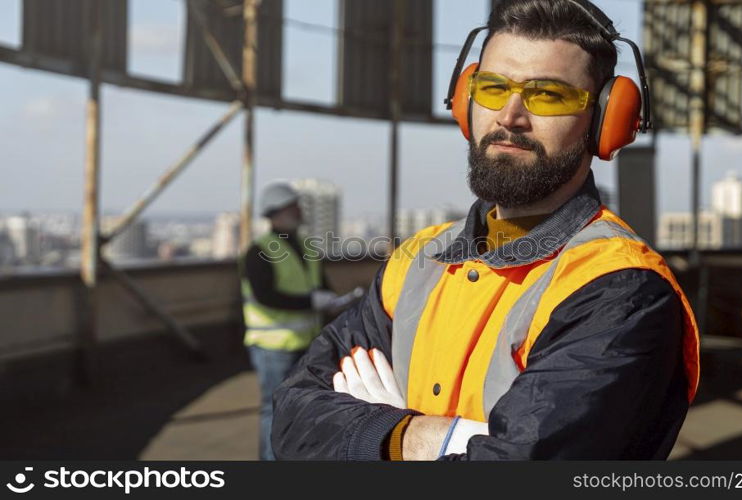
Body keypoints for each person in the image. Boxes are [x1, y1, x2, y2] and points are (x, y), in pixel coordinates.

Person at [270, 0, 700, 460]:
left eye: (548, 95)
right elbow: (294, 417)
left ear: (604, 123)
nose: (509, 116)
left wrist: (380, 433)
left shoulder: (620, 290)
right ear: (464, 101)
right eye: (492, 88)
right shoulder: (417, 260)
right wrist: (426, 439)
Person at [240, 181, 360, 460]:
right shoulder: (258, 251)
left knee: (305, 406)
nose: (299, 210)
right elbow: (265, 297)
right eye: (293, 206)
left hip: (307, 342)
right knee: (273, 409)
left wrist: (331, 300)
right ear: (276, 212)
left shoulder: (305, 246)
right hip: (273, 348)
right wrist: (312, 302)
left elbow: (319, 284)